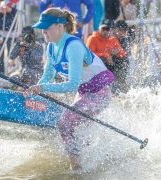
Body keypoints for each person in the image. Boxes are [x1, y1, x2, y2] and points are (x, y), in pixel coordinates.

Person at [25, 8, 115, 170]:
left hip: (99, 93)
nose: (43, 31)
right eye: (42, 28)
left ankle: (77, 168)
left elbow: (72, 85)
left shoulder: (73, 46)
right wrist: (31, 94)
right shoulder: (52, 47)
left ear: (60, 26)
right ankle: (95, 159)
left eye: (47, 27)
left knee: (65, 123)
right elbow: (46, 78)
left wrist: (41, 88)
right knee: (76, 128)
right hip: (84, 93)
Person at [86, 19, 126, 94]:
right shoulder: (92, 38)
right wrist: (106, 54)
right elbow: (88, 55)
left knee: (123, 59)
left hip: (109, 63)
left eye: (107, 29)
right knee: (102, 59)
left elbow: (123, 53)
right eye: (103, 29)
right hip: (95, 65)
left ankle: (121, 83)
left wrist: (117, 52)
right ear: (99, 29)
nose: (105, 31)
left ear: (110, 30)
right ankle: (99, 85)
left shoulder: (113, 39)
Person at [0, 0, 18, 74]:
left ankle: (11, 70)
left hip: (12, 33)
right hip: (0, 32)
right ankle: (1, 71)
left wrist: (11, 10)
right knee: (0, 53)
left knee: (11, 53)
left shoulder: (14, 3)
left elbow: (18, 14)